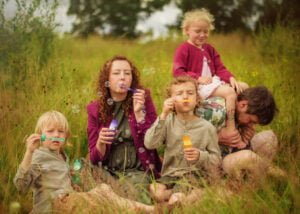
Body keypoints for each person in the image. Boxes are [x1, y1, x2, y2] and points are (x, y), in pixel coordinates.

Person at [14, 110, 154, 213]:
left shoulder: (61, 156)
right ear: (40, 135)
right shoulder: (39, 155)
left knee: (103, 190)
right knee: (99, 199)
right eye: (50, 131)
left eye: (61, 131)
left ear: (66, 136)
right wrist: (29, 152)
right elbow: (21, 186)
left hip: (69, 201)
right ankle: (147, 210)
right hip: (55, 205)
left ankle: (149, 209)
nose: (56, 135)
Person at [86, 55, 162, 197]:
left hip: (137, 171)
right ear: (107, 79)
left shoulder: (143, 99)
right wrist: (100, 143)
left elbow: (154, 141)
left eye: (127, 73)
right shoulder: (94, 109)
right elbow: (94, 158)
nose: (123, 77)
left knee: (132, 192)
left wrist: (140, 115)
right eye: (116, 73)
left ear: (132, 79)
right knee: (88, 177)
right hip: (106, 170)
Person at [173, 8, 248, 149]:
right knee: (230, 93)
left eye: (205, 31)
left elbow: (220, 68)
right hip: (197, 87)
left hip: (212, 83)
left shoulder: (209, 49)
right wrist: (197, 78)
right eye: (197, 31)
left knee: (244, 86)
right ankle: (231, 127)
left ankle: (245, 124)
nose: (202, 35)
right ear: (187, 30)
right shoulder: (183, 49)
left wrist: (230, 78)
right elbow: (178, 72)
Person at [144, 76, 221, 206]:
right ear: (171, 100)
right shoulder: (168, 121)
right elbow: (150, 143)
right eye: (179, 94)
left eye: (190, 93)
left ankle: (177, 199)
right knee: (154, 190)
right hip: (171, 174)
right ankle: (190, 196)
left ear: (197, 99)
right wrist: (163, 115)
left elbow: (217, 159)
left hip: (196, 174)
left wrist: (200, 156)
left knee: (177, 197)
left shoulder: (207, 128)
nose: (185, 97)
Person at [197, 86, 279, 178]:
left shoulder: (239, 114)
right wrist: (217, 138)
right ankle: (272, 174)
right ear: (243, 105)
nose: (251, 125)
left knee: (270, 137)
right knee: (248, 157)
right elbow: (183, 137)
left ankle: (255, 178)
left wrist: (245, 139)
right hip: (215, 164)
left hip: (230, 153)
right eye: (251, 121)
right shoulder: (216, 112)